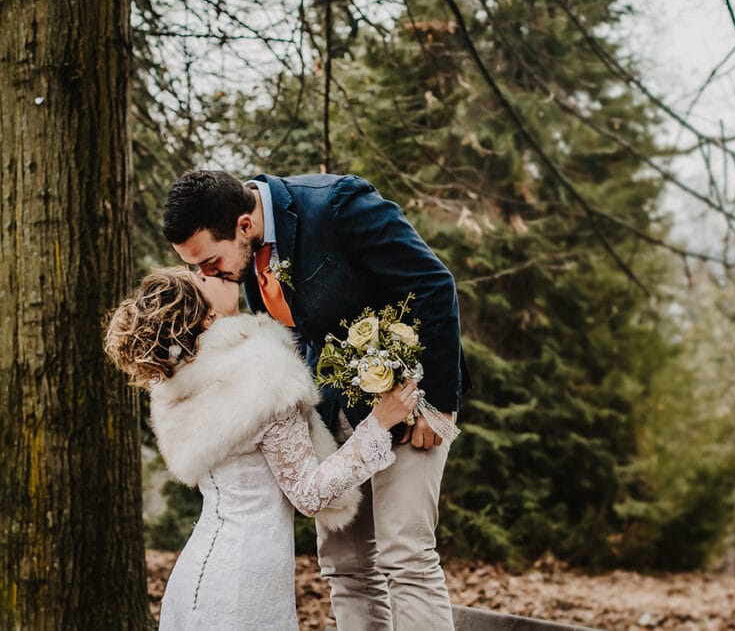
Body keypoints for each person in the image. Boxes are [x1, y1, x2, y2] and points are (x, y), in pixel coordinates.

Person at [162, 170, 471, 630]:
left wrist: (438, 404)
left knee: (406, 558)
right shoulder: (245, 260)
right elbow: (301, 331)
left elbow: (433, 285)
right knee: (345, 569)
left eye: (209, 261)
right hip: (332, 419)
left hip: (407, 406)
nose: (206, 276)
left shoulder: (338, 204)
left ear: (244, 225)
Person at [104, 267, 421, 629]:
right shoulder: (264, 375)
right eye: (200, 278)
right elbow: (309, 493)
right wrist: (380, 423)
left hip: (196, 578)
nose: (206, 269)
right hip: (244, 587)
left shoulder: (182, 384)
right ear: (208, 317)